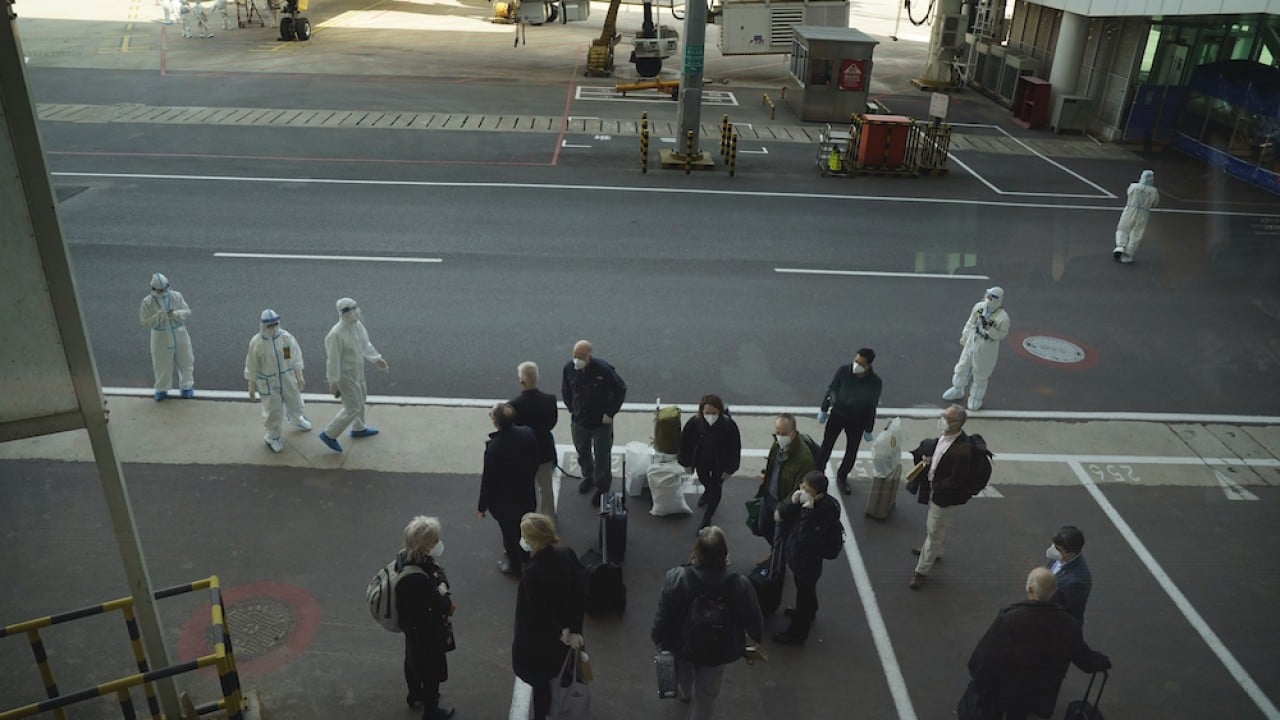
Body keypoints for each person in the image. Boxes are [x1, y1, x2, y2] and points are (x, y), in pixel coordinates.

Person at [964, 567, 1111, 720]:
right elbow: (1082, 656)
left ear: (1029, 588)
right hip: (1042, 690)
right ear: (1054, 592)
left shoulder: (1011, 619)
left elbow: (987, 655)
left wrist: (979, 678)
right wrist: (1102, 662)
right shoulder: (1068, 624)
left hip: (1009, 686)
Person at [651, 526, 764, 718]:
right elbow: (754, 618)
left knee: (684, 673)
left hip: (682, 644)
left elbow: (664, 612)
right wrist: (753, 640)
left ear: (697, 552)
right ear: (724, 553)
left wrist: (657, 636)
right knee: (708, 690)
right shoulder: (740, 584)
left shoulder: (676, 577)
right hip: (718, 649)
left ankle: (685, 692)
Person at [512, 513, 586, 720]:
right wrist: (574, 628)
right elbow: (579, 592)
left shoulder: (532, 573)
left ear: (532, 540)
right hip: (566, 634)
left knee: (542, 685)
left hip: (542, 644)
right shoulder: (567, 554)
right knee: (564, 673)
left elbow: (533, 615)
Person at [396, 516, 456, 720]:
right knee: (431, 671)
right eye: (434, 540)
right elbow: (443, 603)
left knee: (412, 661)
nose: (438, 544)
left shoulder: (404, 559)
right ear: (425, 546)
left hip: (411, 628)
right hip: (427, 632)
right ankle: (431, 710)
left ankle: (414, 694)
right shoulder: (418, 579)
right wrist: (442, 586)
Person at [909, 404, 975, 590]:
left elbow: (956, 480)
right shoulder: (947, 438)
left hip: (943, 497)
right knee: (941, 526)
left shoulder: (963, 450)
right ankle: (936, 551)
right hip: (937, 491)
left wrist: (936, 486)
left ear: (958, 423)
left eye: (947, 417)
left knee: (934, 531)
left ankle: (921, 570)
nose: (942, 419)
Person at [772, 472, 841, 645]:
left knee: (804, 592)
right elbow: (780, 514)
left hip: (808, 562)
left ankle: (797, 634)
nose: (802, 491)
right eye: (802, 486)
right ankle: (810, 610)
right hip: (797, 558)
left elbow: (806, 539)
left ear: (819, 495)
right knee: (805, 590)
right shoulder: (803, 501)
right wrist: (792, 502)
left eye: (807, 490)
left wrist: (807, 512)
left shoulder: (824, 512)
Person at [319, 298, 389, 453]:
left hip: (357, 370)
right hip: (345, 376)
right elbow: (333, 359)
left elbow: (366, 344)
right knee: (353, 406)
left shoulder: (357, 326)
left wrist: (377, 359)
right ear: (344, 313)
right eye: (352, 309)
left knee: (362, 397)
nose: (356, 312)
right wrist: (333, 381)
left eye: (356, 307)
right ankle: (329, 434)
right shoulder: (336, 334)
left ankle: (359, 428)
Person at [477, 403, 539, 577]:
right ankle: (525, 554)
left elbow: (488, 481)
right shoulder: (528, 433)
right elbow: (535, 461)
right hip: (526, 494)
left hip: (505, 502)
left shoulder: (494, 448)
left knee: (509, 535)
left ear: (496, 423)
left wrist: (482, 506)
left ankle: (515, 566)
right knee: (524, 527)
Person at [561, 340, 627, 503]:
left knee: (602, 457)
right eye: (575, 356)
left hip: (601, 424)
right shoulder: (569, 369)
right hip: (579, 421)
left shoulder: (604, 370)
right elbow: (566, 390)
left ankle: (602, 488)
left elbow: (621, 389)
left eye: (581, 356)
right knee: (582, 452)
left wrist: (610, 413)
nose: (577, 359)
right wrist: (572, 408)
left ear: (589, 355)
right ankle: (588, 476)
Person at [817, 348, 884, 495]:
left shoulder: (875, 382)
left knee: (851, 450)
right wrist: (824, 408)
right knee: (826, 445)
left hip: (857, 421)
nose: (856, 365)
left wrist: (868, 427)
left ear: (868, 366)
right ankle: (818, 473)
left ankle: (842, 476)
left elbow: (871, 406)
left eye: (860, 363)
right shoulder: (844, 371)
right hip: (838, 415)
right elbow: (832, 388)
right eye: (855, 361)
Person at [244, 309, 311, 453]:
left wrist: (299, 374)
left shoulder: (285, 338)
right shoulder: (257, 343)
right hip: (268, 381)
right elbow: (252, 364)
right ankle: (272, 436)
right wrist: (251, 384)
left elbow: (293, 356)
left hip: (287, 376)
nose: (273, 327)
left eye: (275, 324)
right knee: (273, 410)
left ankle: (296, 418)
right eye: (270, 325)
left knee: (295, 400)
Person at [678, 395, 742, 530]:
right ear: (701, 412)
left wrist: (730, 469)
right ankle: (707, 493)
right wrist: (686, 463)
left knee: (716, 487)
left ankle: (707, 517)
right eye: (707, 413)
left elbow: (735, 448)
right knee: (704, 479)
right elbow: (685, 444)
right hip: (701, 461)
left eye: (714, 413)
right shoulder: (694, 424)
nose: (710, 416)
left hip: (720, 463)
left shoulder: (728, 425)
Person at [942, 287, 1010, 412]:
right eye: (987, 296)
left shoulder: (1002, 318)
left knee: (981, 372)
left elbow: (1001, 335)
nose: (988, 299)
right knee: (963, 365)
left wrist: (990, 329)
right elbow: (971, 321)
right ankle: (957, 388)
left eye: (991, 297)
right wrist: (965, 334)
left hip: (987, 346)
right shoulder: (979, 307)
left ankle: (975, 398)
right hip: (972, 340)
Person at [754, 413, 814, 542]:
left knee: (780, 539)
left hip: (783, 502)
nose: (780, 437)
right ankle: (774, 553)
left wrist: (783, 509)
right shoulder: (777, 445)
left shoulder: (804, 459)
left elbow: (799, 489)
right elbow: (773, 464)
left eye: (784, 433)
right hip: (769, 496)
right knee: (763, 528)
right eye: (778, 433)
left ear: (794, 432)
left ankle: (778, 558)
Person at [509, 362, 559, 517]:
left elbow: (512, 431)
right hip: (544, 450)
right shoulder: (550, 400)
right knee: (546, 488)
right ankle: (548, 519)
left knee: (524, 488)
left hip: (523, 454)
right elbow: (551, 424)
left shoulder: (513, 405)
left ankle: (527, 518)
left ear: (521, 380)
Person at [139, 272, 195, 401]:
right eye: (160, 290)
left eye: (164, 288)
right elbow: (145, 321)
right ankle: (161, 388)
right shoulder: (148, 302)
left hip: (178, 332)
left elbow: (187, 311)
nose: (163, 291)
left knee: (186, 359)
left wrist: (176, 314)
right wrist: (158, 316)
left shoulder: (176, 296)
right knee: (161, 363)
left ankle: (187, 386)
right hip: (161, 335)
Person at [1045, 525, 1092, 623]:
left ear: (1070, 554)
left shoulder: (1077, 582)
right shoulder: (1061, 558)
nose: (1052, 549)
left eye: (1057, 548)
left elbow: (1071, 616)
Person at [1114, 169, 1159, 264]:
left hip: (1130, 210)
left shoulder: (1133, 186)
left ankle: (1120, 246)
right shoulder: (1153, 191)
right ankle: (1128, 253)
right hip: (1143, 213)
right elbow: (1155, 203)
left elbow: (1128, 193)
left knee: (1123, 228)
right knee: (1137, 233)